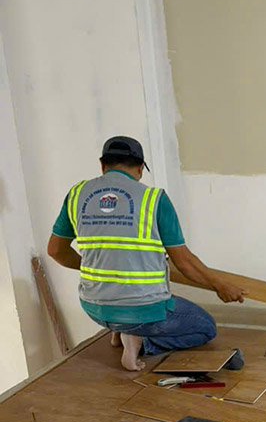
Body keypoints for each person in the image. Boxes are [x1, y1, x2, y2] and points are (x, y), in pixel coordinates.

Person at [47, 135, 245, 371]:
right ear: (140, 168)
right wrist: (221, 286)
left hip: (94, 308)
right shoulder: (154, 199)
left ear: (102, 165)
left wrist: (100, 268)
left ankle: (119, 330)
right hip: (140, 312)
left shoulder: (77, 194)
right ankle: (140, 342)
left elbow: (56, 251)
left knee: (138, 306)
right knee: (205, 327)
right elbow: (184, 263)